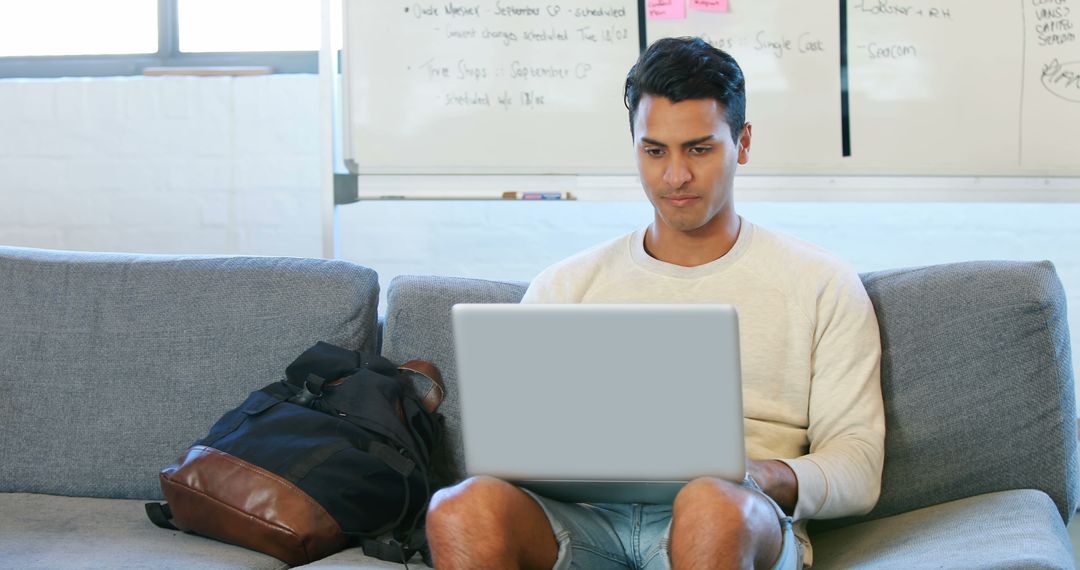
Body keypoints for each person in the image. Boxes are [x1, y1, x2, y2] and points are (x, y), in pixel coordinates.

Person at [424, 36, 885, 570]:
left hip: (730, 519)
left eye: (699, 148)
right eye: (655, 151)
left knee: (709, 502)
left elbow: (859, 464)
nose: (675, 177)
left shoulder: (820, 282)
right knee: (459, 507)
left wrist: (756, 473)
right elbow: (511, 457)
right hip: (580, 520)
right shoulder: (565, 285)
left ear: (744, 143)